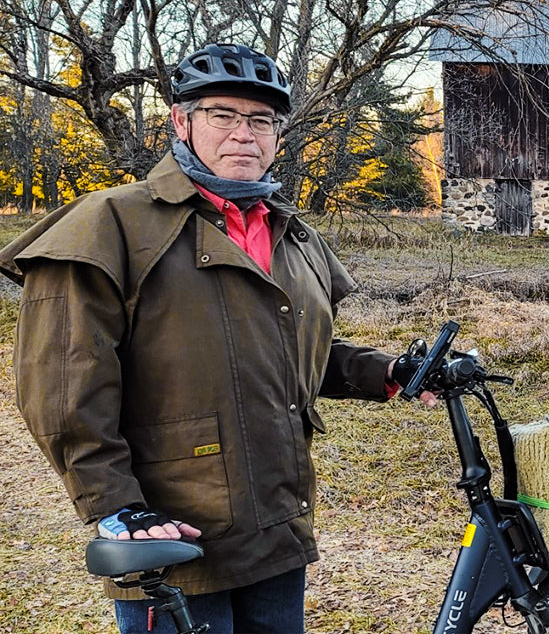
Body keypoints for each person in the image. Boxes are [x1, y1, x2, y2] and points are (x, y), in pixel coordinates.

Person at [0, 43, 436, 634]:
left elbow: (295, 351)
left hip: (276, 525)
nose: (244, 135)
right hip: (170, 537)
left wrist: (388, 371)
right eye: (222, 115)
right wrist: (114, 505)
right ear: (181, 122)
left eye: (261, 121)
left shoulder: (291, 233)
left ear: (278, 135)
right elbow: (62, 385)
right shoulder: (110, 226)